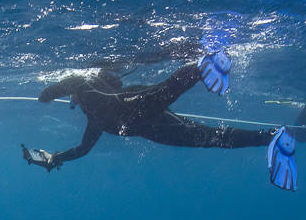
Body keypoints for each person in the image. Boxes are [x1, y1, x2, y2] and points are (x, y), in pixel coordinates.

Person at [21, 49, 297, 190]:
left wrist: (46, 95)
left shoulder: (91, 93)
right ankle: (272, 137)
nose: (73, 104)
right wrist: (55, 158)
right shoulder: (94, 120)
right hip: (155, 127)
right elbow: (81, 149)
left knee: (164, 92)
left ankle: (203, 65)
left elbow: (64, 86)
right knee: (210, 139)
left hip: (131, 108)